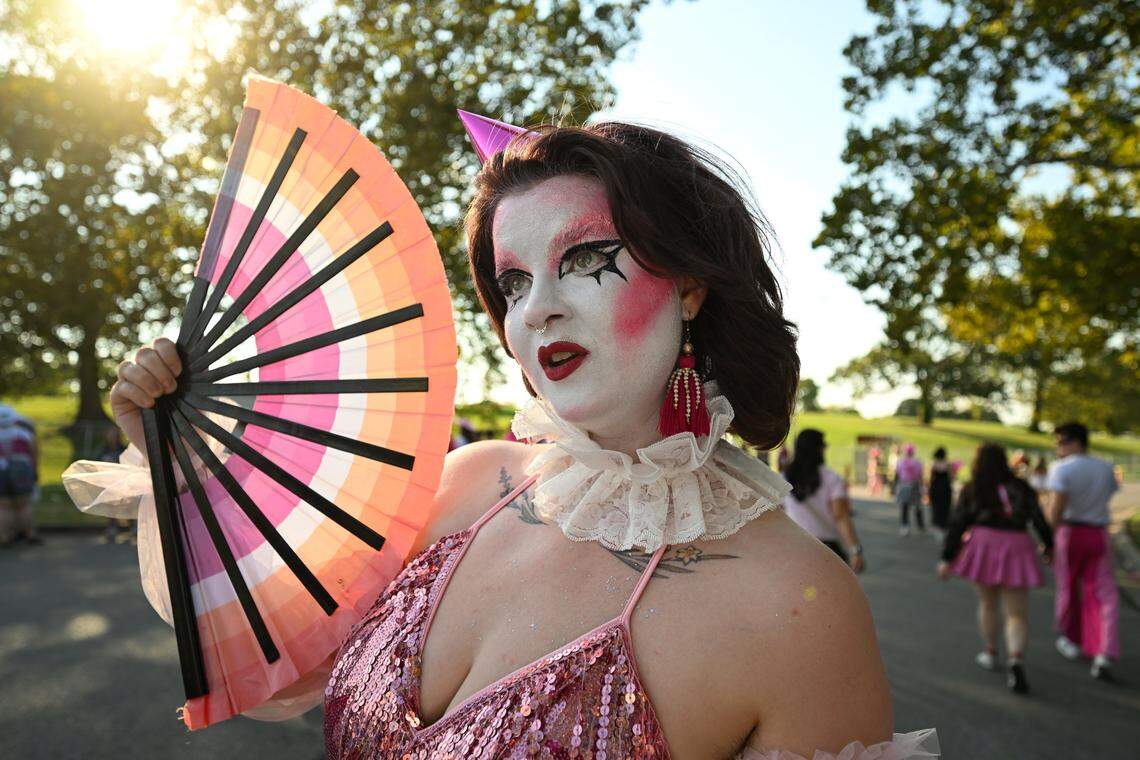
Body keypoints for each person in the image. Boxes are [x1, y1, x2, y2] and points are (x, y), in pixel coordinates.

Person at [77, 118, 937, 757]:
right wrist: (176, 455)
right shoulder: (467, 482)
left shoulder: (798, 608)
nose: (537, 311)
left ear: (688, 287)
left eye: (583, 259)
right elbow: (279, 652)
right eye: (513, 281)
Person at [938, 443, 1052, 694]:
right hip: (1018, 545)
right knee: (1017, 613)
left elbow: (958, 523)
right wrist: (1049, 545)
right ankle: (1016, 658)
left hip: (984, 545)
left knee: (988, 604)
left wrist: (947, 558)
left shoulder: (974, 488)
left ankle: (991, 652)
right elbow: (1038, 519)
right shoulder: (1021, 487)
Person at [1047, 421, 1120, 681]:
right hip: (1098, 532)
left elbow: (1056, 509)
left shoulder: (1062, 469)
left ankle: (1071, 638)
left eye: (1061, 442)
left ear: (1075, 441)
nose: (1058, 447)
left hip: (1070, 532)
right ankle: (1104, 649)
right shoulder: (1105, 467)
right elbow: (1110, 493)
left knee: (1068, 587)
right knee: (1104, 592)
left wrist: (1048, 539)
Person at [783, 429, 864, 573]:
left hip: (792, 548)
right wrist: (855, 550)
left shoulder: (783, 477)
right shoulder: (832, 478)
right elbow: (840, 516)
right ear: (820, 449)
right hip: (826, 550)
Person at [0, 405, 41, 547]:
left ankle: (5, 537)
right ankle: (30, 534)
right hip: (21, 468)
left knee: (3, 506)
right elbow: (34, 453)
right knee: (24, 504)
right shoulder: (23, 433)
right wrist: (34, 471)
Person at [895, 444, 924, 535]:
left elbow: (898, 474)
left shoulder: (900, 461)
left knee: (905, 506)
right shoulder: (917, 462)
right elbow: (920, 474)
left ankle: (905, 525)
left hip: (904, 484)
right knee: (917, 506)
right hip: (914, 484)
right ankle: (920, 524)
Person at [927, 448, 953, 538]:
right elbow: (951, 477)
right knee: (944, 508)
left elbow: (930, 477)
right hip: (945, 488)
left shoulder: (934, 464)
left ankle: (936, 524)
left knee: (936, 507)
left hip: (935, 488)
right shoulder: (947, 464)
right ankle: (943, 525)